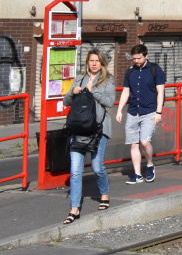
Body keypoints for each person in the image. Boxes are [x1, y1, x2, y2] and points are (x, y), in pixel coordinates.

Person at [61, 49, 114, 224]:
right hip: (78, 129)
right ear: (87, 62)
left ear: (102, 63)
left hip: (98, 130)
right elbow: (66, 101)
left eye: (97, 61)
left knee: (97, 167)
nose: (94, 64)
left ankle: (104, 194)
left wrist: (93, 91)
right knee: (76, 171)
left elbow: (109, 102)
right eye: (91, 60)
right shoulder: (79, 79)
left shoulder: (107, 80)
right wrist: (73, 92)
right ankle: (74, 208)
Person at [115, 44, 165, 184]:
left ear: (145, 56)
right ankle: (137, 174)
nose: (136, 61)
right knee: (133, 144)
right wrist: (119, 110)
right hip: (132, 111)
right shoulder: (130, 71)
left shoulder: (155, 69)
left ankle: (149, 165)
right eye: (134, 58)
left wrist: (158, 112)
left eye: (139, 58)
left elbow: (160, 92)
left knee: (144, 141)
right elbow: (126, 91)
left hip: (149, 111)